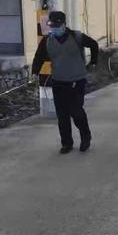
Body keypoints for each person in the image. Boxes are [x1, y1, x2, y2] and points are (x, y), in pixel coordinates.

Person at [32, 11, 99, 154]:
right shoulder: (47, 41)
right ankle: (67, 143)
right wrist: (35, 73)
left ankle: (85, 137)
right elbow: (39, 57)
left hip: (76, 81)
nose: (54, 29)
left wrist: (93, 62)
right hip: (58, 81)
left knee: (76, 111)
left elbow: (94, 44)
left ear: (64, 25)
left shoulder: (77, 37)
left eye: (57, 26)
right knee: (62, 115)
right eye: (52, 26)